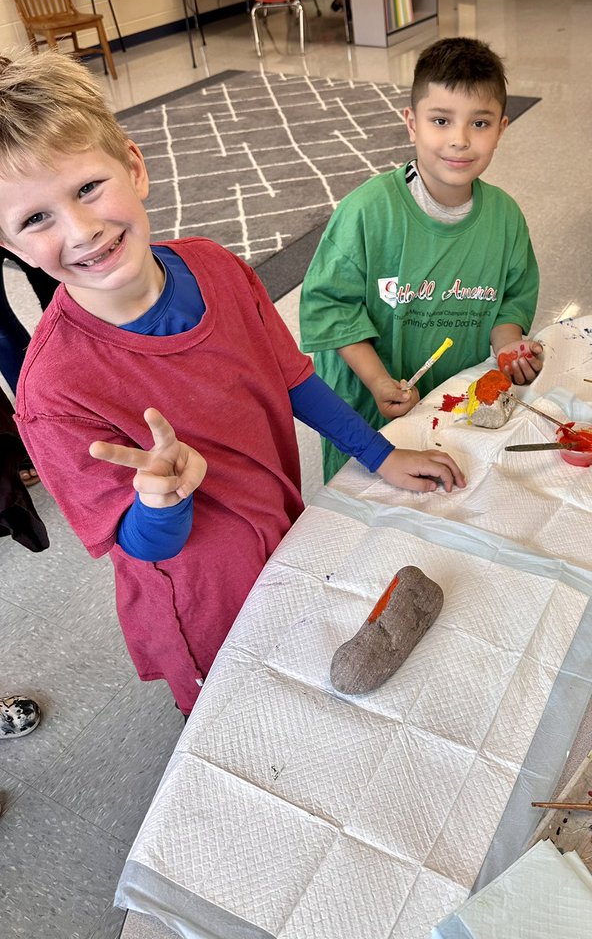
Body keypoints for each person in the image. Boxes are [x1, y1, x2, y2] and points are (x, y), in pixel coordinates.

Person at [0, 52, 464, 715]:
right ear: (11, 248)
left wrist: (381, 454)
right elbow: (138, 544)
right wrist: (161, 502)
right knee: (237, 711)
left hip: (280, 527)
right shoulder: (54, 393)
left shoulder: (217, 266)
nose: (82, 230)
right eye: (34, 219)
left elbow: (292, 377)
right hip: (200, 599)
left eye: (87, 188)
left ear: (134, 166)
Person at [300, 36, 543, 480]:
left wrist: (509, 346)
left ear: (502, 129)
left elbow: (510, 301)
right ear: (412, 124)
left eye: (480, 124)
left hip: (457, 412)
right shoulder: (367, 213)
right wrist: (377, 381)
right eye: (441, 120)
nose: (460, 141)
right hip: (373, 421)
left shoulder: (505, 218)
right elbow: (330, 309)